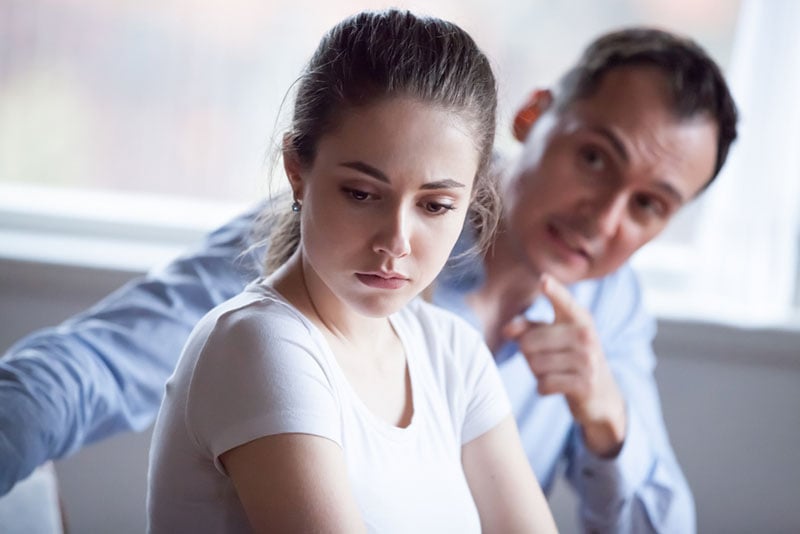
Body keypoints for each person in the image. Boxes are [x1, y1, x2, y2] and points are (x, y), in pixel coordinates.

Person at [0, 25, 737, 534]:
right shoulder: (304, 263)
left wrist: (611, 425)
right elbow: (92, 365)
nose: (603, 220)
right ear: (533, 116)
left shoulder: (587, 313)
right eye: (595, 159)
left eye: (648, 205)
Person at [145, 9, 556, 533]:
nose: (396, 242)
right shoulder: (257, 343)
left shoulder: (454, 354)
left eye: (435, 206)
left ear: (471, 200)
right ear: (297, 170)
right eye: (362, 194)